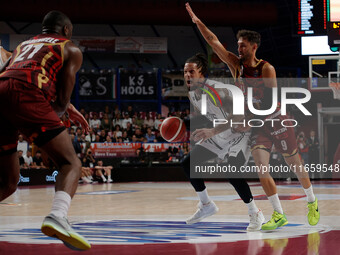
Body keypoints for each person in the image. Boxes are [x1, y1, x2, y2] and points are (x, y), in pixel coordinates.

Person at [185, 2, 319, 230]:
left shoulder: (266, 68)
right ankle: (278, 214)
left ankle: (312, 201)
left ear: (254, 47)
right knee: (261, 167)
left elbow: (268, 101)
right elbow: (213, 42)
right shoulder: (236, 66)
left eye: (243, 46)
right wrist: (199, 23)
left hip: (276, 119)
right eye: (238, 46)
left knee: (294, 163)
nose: (239, 49)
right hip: (256, 124)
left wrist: (246, 119)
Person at [0, 11, 91, 250]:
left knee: (9, 182)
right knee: (70, 163)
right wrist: (57, 121)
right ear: (66, 30)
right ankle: (58, 216)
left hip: (2, 91)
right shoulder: (70, 48)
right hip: (26, 94)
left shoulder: (22, 45)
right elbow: (61, 101)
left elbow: (11, 76)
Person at [182, 53, 264, 231]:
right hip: (221, 132)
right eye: (185, 72)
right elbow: (215, 116)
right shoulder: (191, 94)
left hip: (241, 132)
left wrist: (212, 130)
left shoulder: (218, 90)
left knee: (231, 170)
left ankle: (255, 212)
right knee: (188, 163)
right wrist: (205, 131)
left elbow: (239, 117)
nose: (187, 75)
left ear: (201, 73)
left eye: (191, 71)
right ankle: (206, 205)